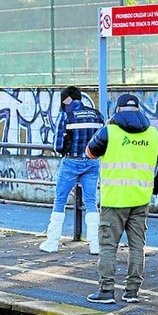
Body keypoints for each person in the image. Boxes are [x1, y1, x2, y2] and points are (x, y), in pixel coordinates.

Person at [85, 94, 158, 304]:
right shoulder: (154, 134)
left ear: (117, 110)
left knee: (108, 246)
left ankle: (106, 291)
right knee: (137, 247)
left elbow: (89, 152)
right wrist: (155, 187)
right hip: (140, 200)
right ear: (138, 110)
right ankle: (132, 291)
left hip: (114, 201)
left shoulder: (110, 131)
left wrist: (106, 127)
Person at [40, 86, 104, 254]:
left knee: (60, 201)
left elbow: (57, 145)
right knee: (91, 202)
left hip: (71, 162)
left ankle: (52, 242)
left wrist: (64, 150)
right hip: (92, 162)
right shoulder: (96, 114)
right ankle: (95, 245)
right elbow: (103, 140)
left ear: (66, 99)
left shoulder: (66, 115)